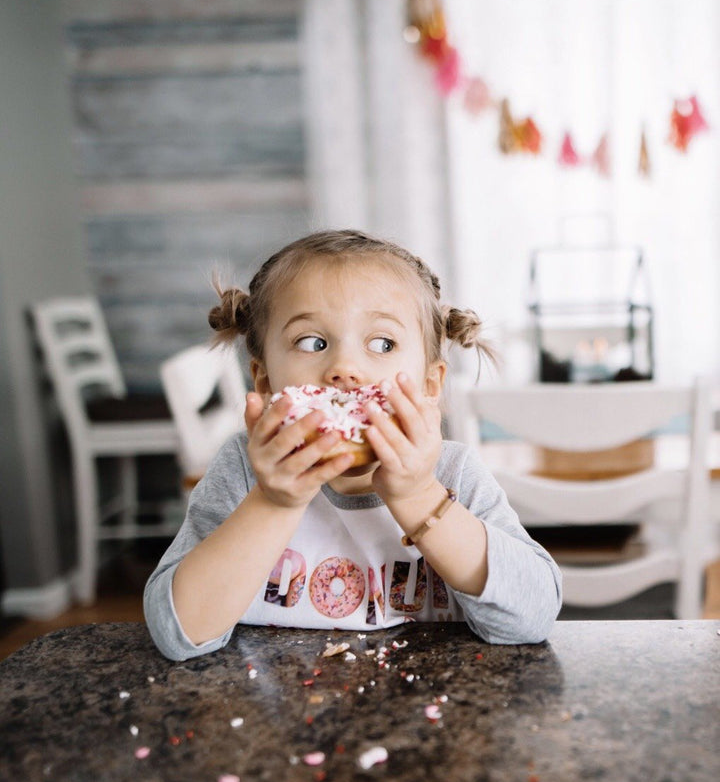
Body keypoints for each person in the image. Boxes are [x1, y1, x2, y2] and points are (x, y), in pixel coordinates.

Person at [144, 230, 561, 661]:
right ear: (265, 382)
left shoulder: (453, 472)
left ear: (429, 385)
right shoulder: (244, 469)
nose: (345, 369)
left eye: (383, 344)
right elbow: (178, 634)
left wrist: (420, 496)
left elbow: (531, 617)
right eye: (312, 343)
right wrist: (275, 502)